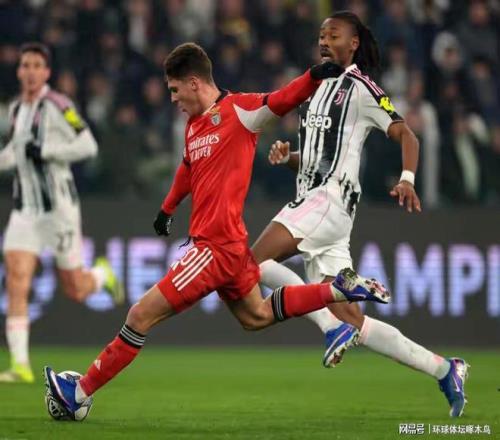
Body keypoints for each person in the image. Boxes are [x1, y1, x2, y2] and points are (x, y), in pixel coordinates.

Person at [44, 42, 390, 417]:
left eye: (175, 89)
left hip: (213, 248)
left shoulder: (240, 111)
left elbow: (280, 99)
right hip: (233, 248)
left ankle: (78, 392)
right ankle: (337, 289)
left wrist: (312, 76)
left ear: (194, 82)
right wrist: (167, 208)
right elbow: (187, 169)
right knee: (256, 316)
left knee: (140, 315)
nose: (173, 99)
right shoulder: (193, 126)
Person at [250, 12, 469, 418]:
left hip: (329, 199)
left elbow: (407, 134)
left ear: (353, 44)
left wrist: (407, 178)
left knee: (252, 263)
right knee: (355, 322)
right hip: (321, 208)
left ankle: (331, 327)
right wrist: (290, 158)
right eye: (321, 35)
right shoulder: (314, 87)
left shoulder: (362, 88)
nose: (324, 41)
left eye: (333, 35)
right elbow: (319, 158)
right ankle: (445, 369)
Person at [0, 42, 123, 383]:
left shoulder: (59, 105)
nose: (30, 72)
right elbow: (16, 152)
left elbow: (88, 145)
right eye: (25, 65)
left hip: (59, 211)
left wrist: (47, 150)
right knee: (16, 279)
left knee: (76, 289)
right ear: (19, 71)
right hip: (25, 210)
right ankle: (20, 365)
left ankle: (101, 274)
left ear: (47, 72)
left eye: (37, 66)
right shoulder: (15, 109)